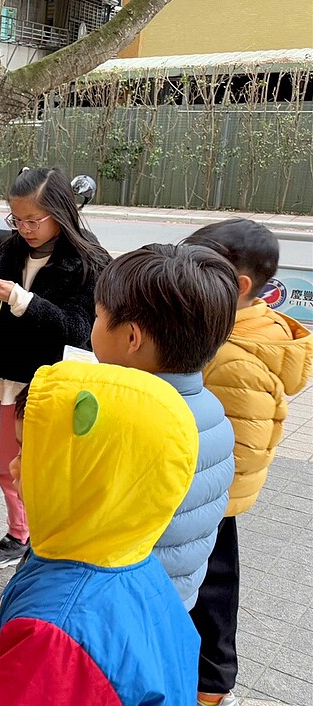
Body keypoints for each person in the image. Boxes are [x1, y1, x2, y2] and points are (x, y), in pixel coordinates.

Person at [0, 362, 201, 706]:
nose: (15, 467)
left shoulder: (60, 630)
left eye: (31, 453)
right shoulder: (134, 564)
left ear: (89, 477)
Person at [182, 219, 313, 706]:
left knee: (211, 591)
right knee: (209, 585)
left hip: (210, 495)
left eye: (196, 270)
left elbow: (222, 441)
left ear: (235, 286)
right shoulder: (237, 333)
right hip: (211, 492)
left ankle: (213, 696)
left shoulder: (234, 353)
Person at [0, 167, 110, 570]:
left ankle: (52, 546)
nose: (23, 229)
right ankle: (19, 534)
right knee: (9, 466)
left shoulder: (89, 260)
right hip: (11, 375)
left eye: (32, 220)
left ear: (59, 212)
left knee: (52, 471)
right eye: (15, 220)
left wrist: (24, 301)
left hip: (57, 384)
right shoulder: (9, 251)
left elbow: (81, 331)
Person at [91, 244, 237, 610]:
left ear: (131, 338)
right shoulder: (214, 414)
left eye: (96, 315)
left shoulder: (125, 419)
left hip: (111, 607)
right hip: (172, 603)